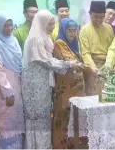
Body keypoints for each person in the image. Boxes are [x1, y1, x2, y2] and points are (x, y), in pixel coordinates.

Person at [21, 10, 82, 149]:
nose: (52, 27)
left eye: (53, 24)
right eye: (49, 24)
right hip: (34, 86)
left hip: (43, 83)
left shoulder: (45, 38)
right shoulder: (35, 39)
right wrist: (69, 64)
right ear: (41, 23)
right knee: (38, 118)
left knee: (44, 118)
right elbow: (47, 62)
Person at [0, 11, 25, 148]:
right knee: (5, 120)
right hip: (2, 89)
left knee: (16, 120)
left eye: (11, 25)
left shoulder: (12, 40)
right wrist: (8, 91)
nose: (9, 28)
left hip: (16, 86)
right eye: (5, 26)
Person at [52, 18, 88, 149]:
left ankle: (72, 143)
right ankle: (60, 145)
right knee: (64, 115)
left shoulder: (76, 45)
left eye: (74, 31)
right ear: (63, 30)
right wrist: (79, 65)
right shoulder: (58, 44)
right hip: (65, 88)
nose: (72, 34)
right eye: (69, 31)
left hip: (78, 87)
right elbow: (65, 63)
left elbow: (80, 63)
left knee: (75, 116)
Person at [79, 1, 114, 95]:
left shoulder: (109, 28)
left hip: (107, 66)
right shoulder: (84, 30)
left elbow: (112, 49)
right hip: (92, 67)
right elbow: (85, 52)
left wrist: (109, 64)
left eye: (101, 17)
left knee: (108, 97)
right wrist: (93, 68)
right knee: (93, 97)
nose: (98, 20)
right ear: (90, 14)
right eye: (95, 17)